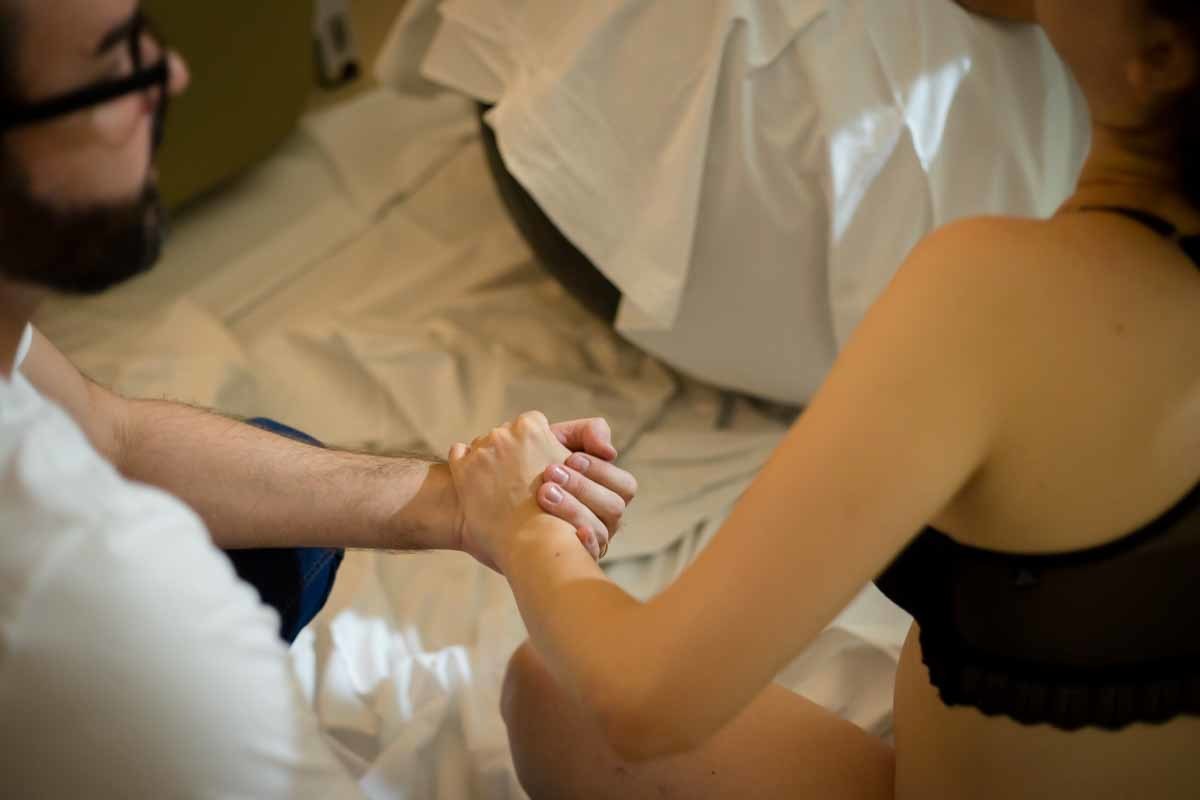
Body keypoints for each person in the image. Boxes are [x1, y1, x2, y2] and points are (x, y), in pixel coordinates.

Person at [448, 1, 1200, 797]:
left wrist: (520, 524)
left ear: (1162, 57)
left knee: (554, 691)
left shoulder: (998, 295)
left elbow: (644, 700)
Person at [0, 0, 636, 795]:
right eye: (117, 62)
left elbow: (108, 434)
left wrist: (462, 500)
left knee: (279, 529)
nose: (175, 75)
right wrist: (538, 542)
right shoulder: (97, 581)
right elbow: (637, 705)